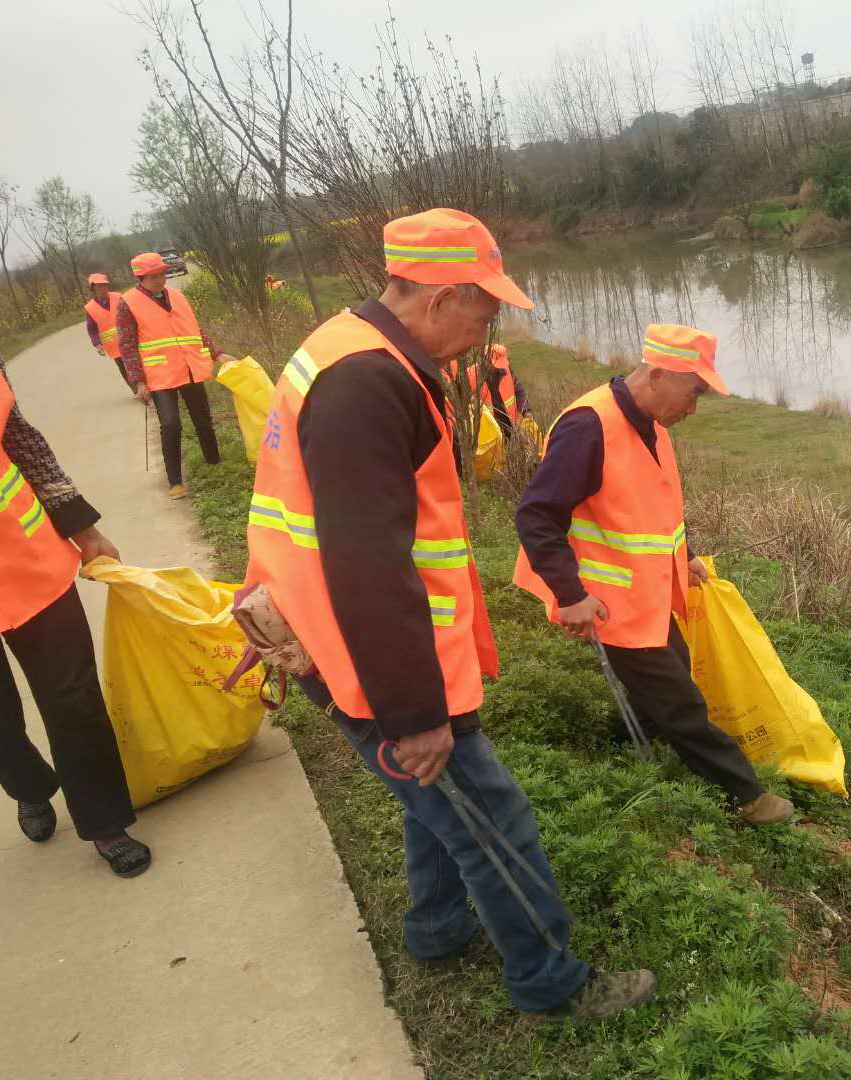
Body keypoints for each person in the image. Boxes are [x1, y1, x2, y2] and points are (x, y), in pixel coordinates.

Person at [242, 208, 654, 1021]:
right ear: (438, 298)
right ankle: (548, 979)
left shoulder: (347, 345)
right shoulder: (367, 383)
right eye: (484, 309)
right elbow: (367, 565)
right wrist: (414, 714)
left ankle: (435, 927)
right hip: (372, 655)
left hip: (334, 633)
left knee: (435, 803)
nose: (485, 327)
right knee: (485, 813)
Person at [513, 325, 795, 826]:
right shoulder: (589, 426)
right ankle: (748, 795)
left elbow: (652, 511)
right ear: (659, 374)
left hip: (642, 595)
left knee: (674, 673)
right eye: (695, 392)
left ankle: (620, 744)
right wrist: (570, 594)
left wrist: (679, 557)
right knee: (681, 701)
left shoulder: (652, 425)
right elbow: (537, 515)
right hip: (604, 600)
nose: (694, 407)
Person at [0, 272, 151, 878]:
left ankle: (106, 822)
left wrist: (82, 529)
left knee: (74, 700)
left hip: (28, 564)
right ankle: (30, 785)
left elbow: (24, 444)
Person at [116, 252, 231, 499]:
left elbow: (194, 330)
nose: (160, 279)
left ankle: (214, 463)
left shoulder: (178, 297)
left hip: (189, 368)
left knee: (203, 419)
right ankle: (175, 481)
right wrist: (137, 381)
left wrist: (217, 353)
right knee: (170, 424)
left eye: (162, 273)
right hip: (159, 376)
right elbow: (126, 345)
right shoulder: (128, 303)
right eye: (154, 275)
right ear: (141, 277)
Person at [446, 342, 529, 437]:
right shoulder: (470, 375)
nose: (497, 369)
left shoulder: (507, 370)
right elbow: (459, 399)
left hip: (510, 426)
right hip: (488, 430)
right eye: (495, 365)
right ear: (485, 361)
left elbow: (519, 391)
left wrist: (526, 411)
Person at [83, 272, 134, 395]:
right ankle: (136, 391)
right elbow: (92, 329)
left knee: (135, 365)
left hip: (129, 339)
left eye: (104, 285)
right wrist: (97, 344)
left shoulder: (118, 297)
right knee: (124, 369)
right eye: (99, 286)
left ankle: (147, 389)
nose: (102, 288)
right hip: (113, 346)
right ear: (93, 288)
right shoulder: (90, 308)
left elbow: (131, 313)